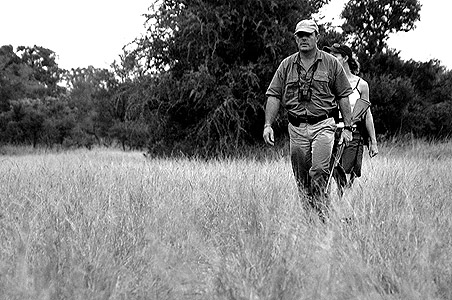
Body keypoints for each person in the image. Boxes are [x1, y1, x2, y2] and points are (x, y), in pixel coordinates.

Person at [263, 19, 353, 221]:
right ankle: (312, 218)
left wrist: (348, 127)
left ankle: (322, 214)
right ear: (295, 38)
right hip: (296, 127)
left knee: (320, 170)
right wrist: (268, 125)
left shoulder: (331, 63)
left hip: (324, 124)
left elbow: (343, 96)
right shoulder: (287, 65)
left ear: (317, 37)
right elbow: (274, 95)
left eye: (308, 35)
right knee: (302, 180)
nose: (303, 39)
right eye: (299, 35)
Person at [323, 43, 378, 193]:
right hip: (330, 131)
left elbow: (366, 114)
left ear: (345, 58)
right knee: (329, 173)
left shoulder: (361, 85)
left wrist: (373, 142)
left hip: (354, 133)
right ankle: (331, 207)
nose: (330, 59)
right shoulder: (327, 82)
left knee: (347, 174)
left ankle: (346, 209)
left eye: (335, 56)